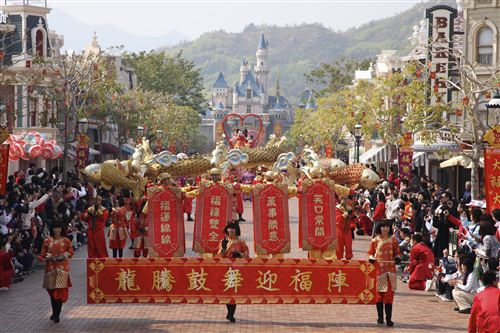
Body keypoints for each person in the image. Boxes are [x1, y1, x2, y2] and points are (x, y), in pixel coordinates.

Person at [38, 220, 74, 323]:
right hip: (50, 269)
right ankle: (54, 312)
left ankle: (57, 314)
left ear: (61, 229)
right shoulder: (47, 241)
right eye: (55, 228)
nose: (57, 230)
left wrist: (66, 255)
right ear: (52, 229)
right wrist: (45, 257)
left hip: (62, 269)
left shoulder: (66, 240)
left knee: (59, 292)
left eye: (58, 227)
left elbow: (71, 252)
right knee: (52, 292)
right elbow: (42, 253)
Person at [367, 220, 401, 327]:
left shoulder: (393, 240)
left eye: (387, 227)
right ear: (379, 228)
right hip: (379, 271)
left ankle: (389, 318)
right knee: (379, 294)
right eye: (383, 227)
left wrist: (397, 259)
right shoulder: (375, 240)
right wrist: (371, 258)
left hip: (390, 271)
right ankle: (380, 317)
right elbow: (370, 253)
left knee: (389, 294)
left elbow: (397, 253)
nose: (385, 229)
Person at [217, 222, 249, 323]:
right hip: (226, 270)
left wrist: (239, 254)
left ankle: (231, 314)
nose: (231, 230)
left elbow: (247, 255)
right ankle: (229, 313)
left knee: (234, 291)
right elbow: (219, 256)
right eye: (229, 228)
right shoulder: (223, 241)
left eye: (233, 228)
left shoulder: (241, 242)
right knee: (228, 291)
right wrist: (223, 249)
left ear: (236, 230)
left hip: (237, 270)